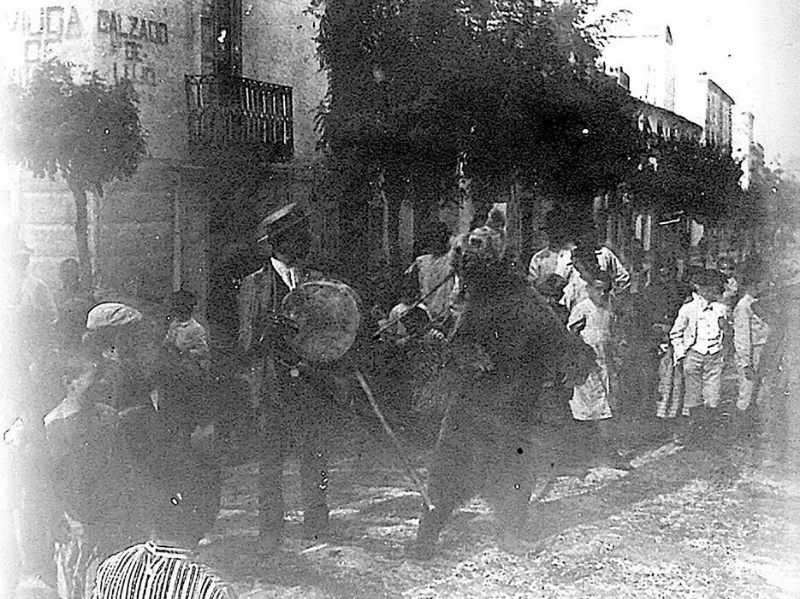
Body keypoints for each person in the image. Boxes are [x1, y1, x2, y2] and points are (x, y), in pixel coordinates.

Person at [237, 205, 332, 555]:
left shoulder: (317, 281)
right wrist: (268, 332)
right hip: (272, 387)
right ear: (278, 243)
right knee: (270, 463)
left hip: (312, 384)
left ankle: (317, 526)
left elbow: (333, 331)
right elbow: (246, 344)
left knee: (316, 456)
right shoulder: (254, 286)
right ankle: (270, 532)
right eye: (297, 236)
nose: (305, 242)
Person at [567, 270, 630, 470]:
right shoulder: (582, 308)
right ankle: (582, 456)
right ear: (589, 289)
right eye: (598, 290)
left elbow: (613, 332)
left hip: (606, 363)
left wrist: (618, 353)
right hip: (588, 365)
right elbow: (573, 335)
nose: (602, 294)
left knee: (608, 408)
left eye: (606, 290)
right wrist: (581, 357)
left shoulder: (610, 307)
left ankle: (609, 453)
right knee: (585, 411)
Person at [669, 269, 729, 446]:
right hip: (694, 355)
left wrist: (724, 334)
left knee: (713, 396)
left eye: (718, 289)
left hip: (714, 356)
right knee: (692, 396)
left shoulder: (721, 308)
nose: (717, 292)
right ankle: (693, 433)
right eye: (712, 288)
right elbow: (676, 333)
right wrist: (681, 355)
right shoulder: (688, 309)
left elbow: (726, 332)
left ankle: (708, 431)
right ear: (701, 288)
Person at [732, 259, 770, 433]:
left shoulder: (762, 302)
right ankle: (740, 428)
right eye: (763, 282)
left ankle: (755, 425)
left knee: (761, 389)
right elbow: (741, 337)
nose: (767, 285)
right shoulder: (743, 306)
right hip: (751, 351)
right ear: (754, 284)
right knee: (747, 390)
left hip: (764, 350)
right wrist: (745, 363)